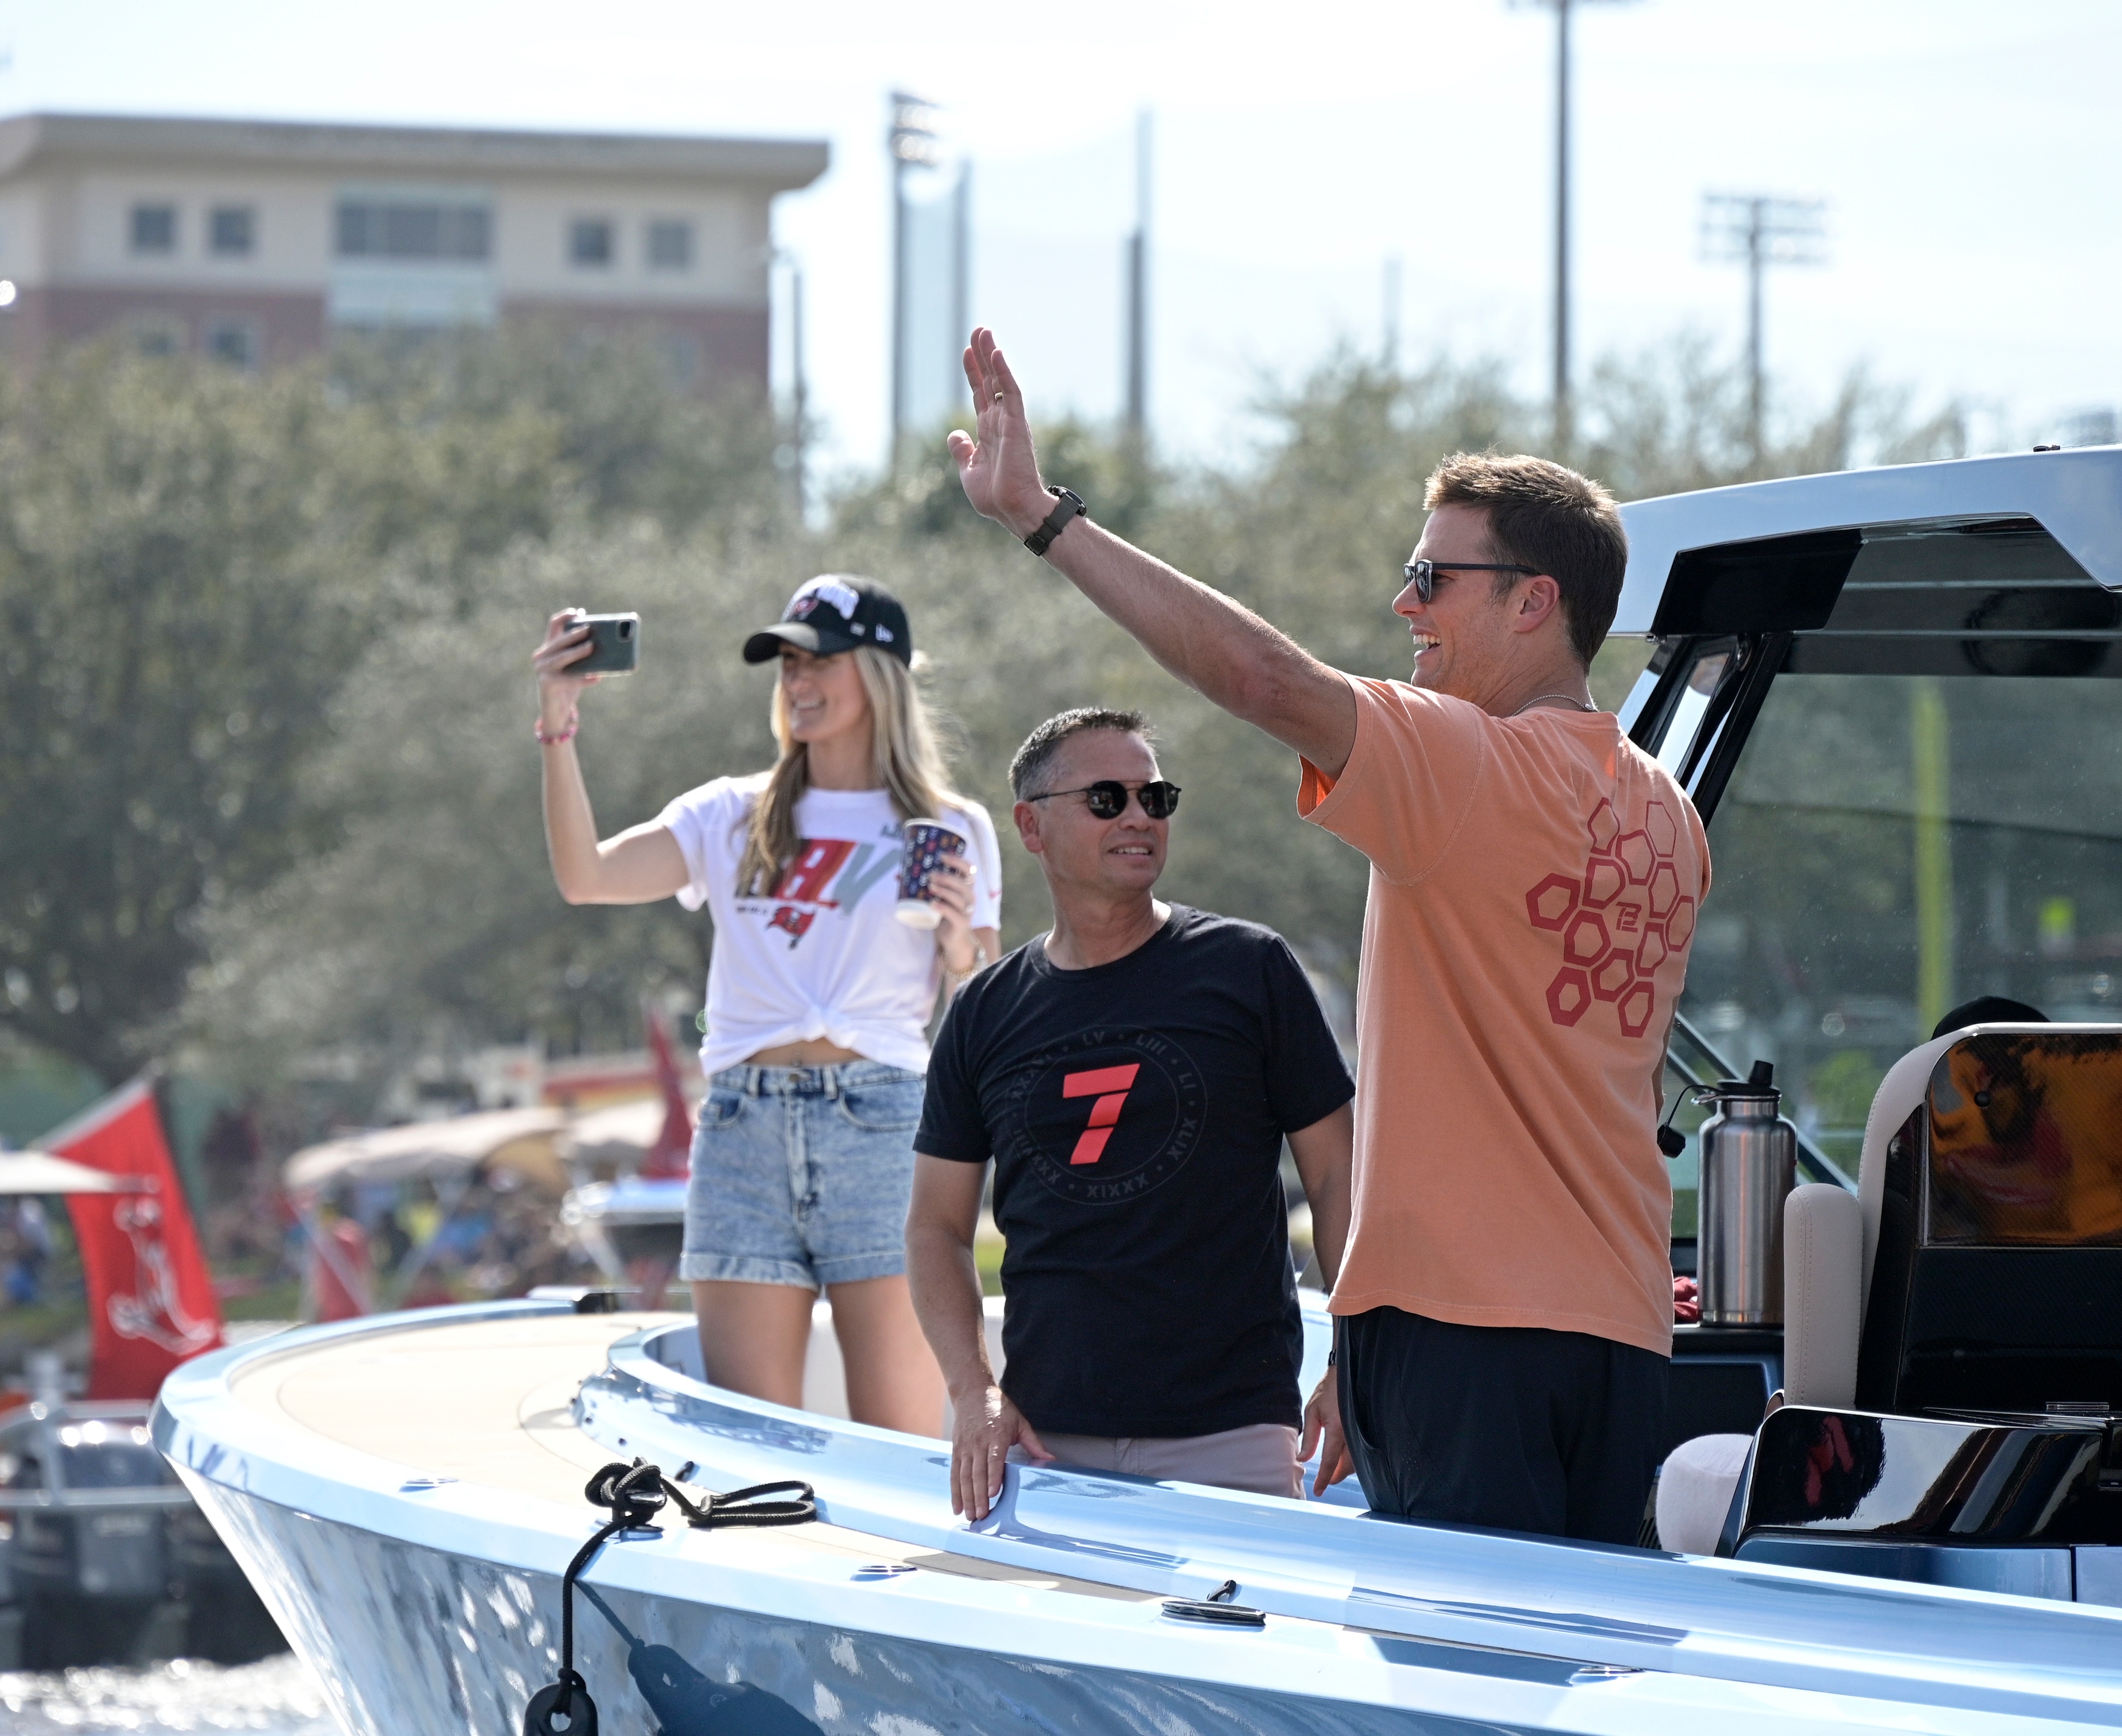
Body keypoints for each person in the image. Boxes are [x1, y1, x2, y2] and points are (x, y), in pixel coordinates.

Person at [944, 328, 1711, 1543]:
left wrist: (1046, 520)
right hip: (1620, 1331)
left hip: (1466, 1334)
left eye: (1432, 578)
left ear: (1533, 600)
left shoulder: (1470, 765)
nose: (1403, 603)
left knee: (1455, 1690)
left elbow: (1261, 677)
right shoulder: (1668, 814)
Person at [534, 576, 1000, 1434]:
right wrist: (559, 723)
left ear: (881, 673)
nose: (798, 680)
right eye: (786, 662)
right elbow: (585, 876)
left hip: (886, 1126)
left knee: (900, 1442)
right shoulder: (730, 812)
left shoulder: (949, 826)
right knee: (758, 1450)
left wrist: (960, 940)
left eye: (819, 660)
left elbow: (985, 1017)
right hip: (744, 1130)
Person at [907, 708, 1355, 1519]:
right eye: (1108, 798)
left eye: (1157, 796)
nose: (1142, 816)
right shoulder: (981, 1011)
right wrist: (974, 1392)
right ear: (1031, 825)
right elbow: (935, 1226)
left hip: (1237, 1436)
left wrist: (1357, 1359)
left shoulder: (1250, 967)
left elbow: (1338, 1175)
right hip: (1045, 1449)